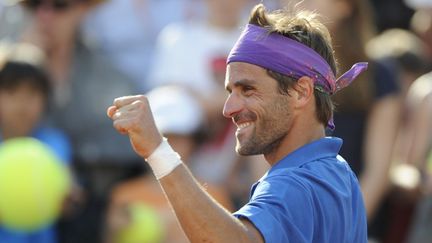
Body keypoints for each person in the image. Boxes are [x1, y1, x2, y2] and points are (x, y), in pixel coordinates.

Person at [108, 4, 368, 243]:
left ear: (301, 92)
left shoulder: (292, 183)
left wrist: (158, 150)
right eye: (230, 91)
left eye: (248, 90)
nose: (228, 108)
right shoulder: (339, 172)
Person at [0, 43, 72, 243]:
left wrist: (69, 198)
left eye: (32, 94)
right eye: (12, 92)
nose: (22, 104)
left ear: (45, 99)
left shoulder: (56, 143)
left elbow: (67, 192)